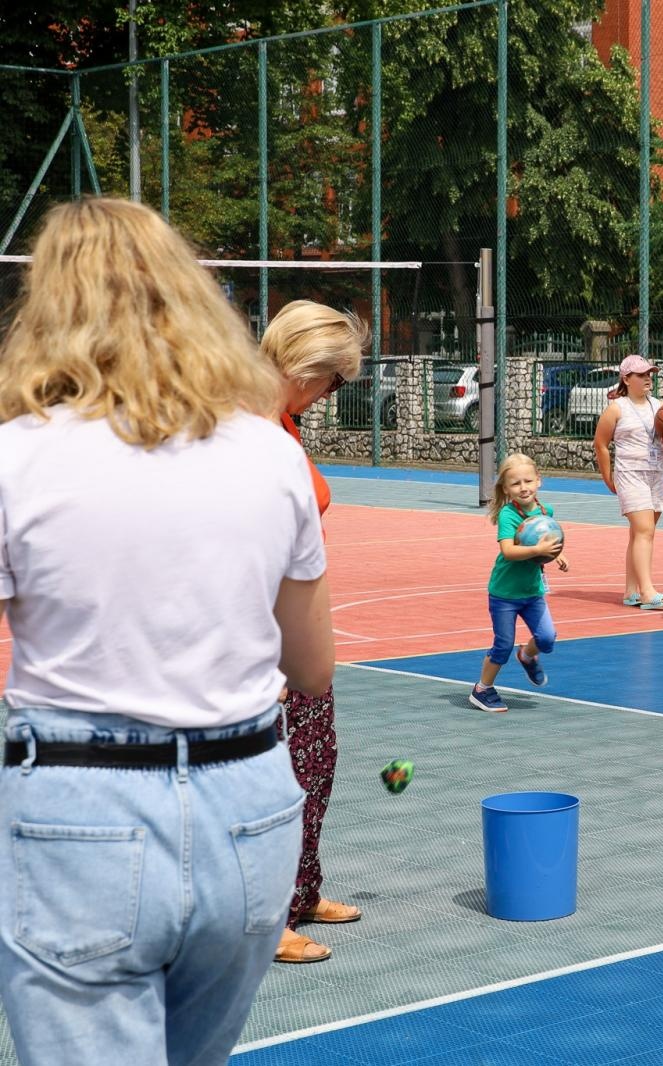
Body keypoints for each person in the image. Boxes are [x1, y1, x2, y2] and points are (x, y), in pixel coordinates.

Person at [0, 198, 332, 1065]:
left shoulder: (17, 457)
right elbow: (313, 666)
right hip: (249, 810)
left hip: (81, 808)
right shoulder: (269, 454)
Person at [258, 300, 368, 964]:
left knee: (313, 766)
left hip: (293, 633)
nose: (332, 395)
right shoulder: (247, 428)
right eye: (334, 380)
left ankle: (300, 894)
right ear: (308, 367)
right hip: (260, 635)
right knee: (272, 782)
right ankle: (264, 919)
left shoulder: (283, 423)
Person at [470, 454, 567, 713]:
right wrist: (539, 548)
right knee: (502, 645)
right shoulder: (508, 515)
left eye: (528, 481)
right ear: (506, 488)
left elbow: (548, 541)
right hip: (505, 593)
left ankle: (527, 655)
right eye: (516, 484)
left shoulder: (546, 512)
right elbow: (509, 552)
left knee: (547, 638)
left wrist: (556, 554)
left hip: (532, 591)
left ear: (539, 481)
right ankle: (482, 689)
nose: (523, 487)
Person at [592, 354, 663, 610]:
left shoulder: (659, 406)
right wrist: (608, 477)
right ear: (626, 379)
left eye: (649, 374)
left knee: (639, 534)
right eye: (641, 375)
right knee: (644, 531)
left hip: (656, 472)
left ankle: (631, 591)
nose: (647, 378)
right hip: (630, 473)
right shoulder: (617, 408)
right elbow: (600, 444)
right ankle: (648, 592)